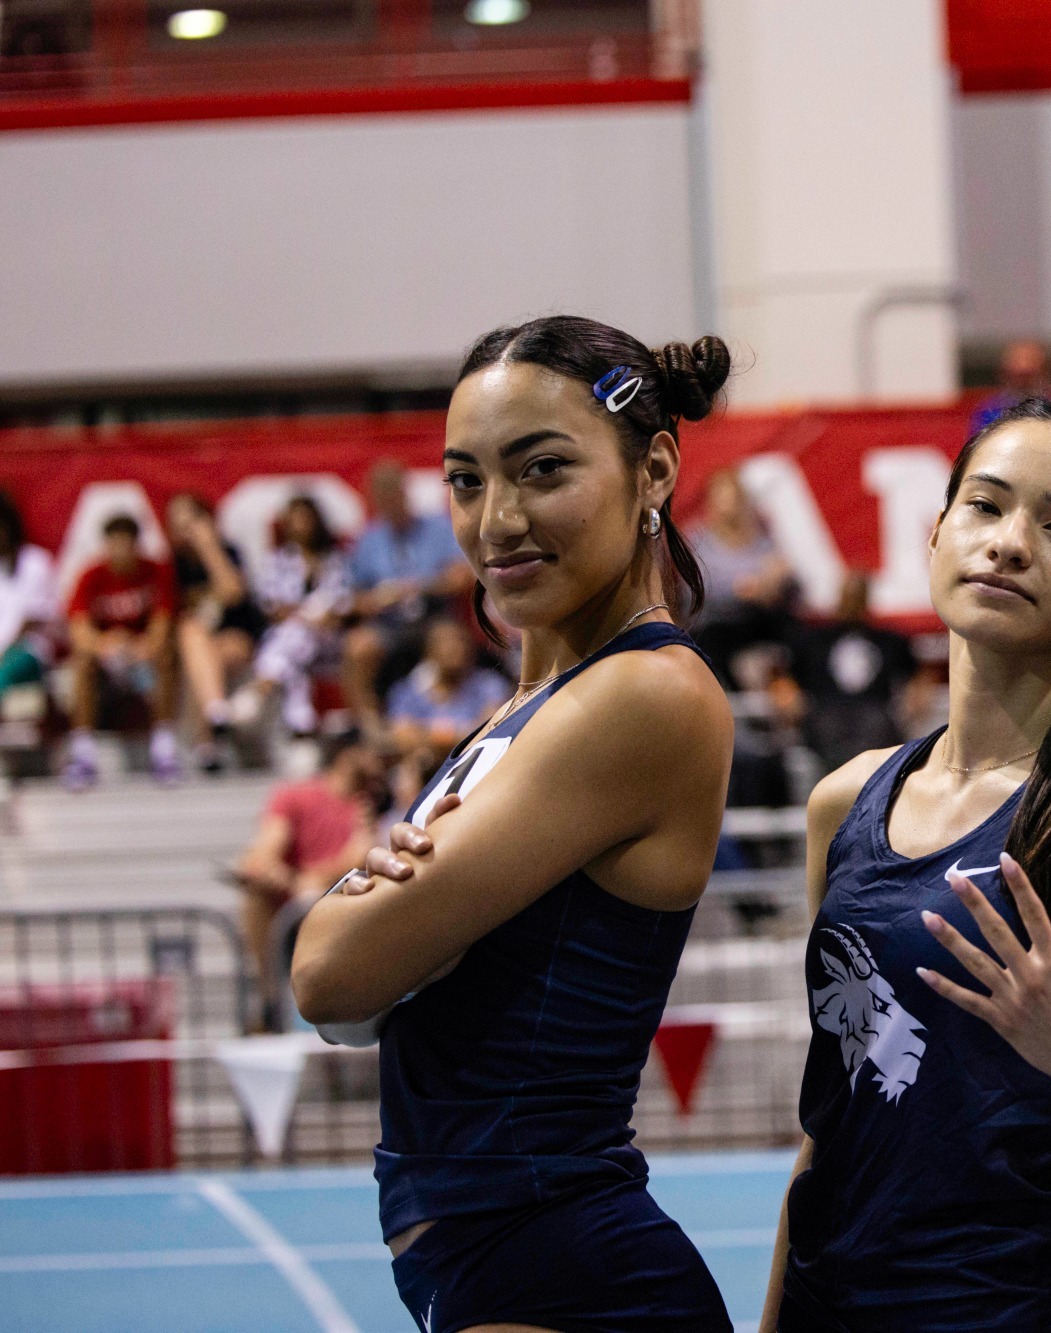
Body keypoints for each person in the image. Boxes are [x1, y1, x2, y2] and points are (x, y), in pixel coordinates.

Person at [292, 316, 738, 1332]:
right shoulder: (518, 710)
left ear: (654, 469)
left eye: (541, 470)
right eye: (464, 479)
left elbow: (328, 973)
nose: (495, 521)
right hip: (500, 1258)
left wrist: (361, 904)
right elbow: (348, 1006)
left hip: (564, 1271)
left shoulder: (641, 697)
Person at [760, 399, 1051, 1332]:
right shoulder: (846, 801)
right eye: (985, 507)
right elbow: (830, 1128)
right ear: (936, 531)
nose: (1010, 543)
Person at [234, 730, 383, 1023]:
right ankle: (271, 1001)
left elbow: (360, 857)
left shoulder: (372, 803)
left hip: (344, 906)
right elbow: (262, 855)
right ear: (349, 756)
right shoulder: (296, 795)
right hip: (298, 908)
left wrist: (305, 880)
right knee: (260, 894)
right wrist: (282, 875)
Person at [341, 461, 475, 733]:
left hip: (434, 617)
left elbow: (462, 577)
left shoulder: (437, 528)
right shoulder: (369, 540)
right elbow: (354, 598)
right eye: (382, 495)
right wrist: (378, 598)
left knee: (449, 641)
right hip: (390, 623)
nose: (390, 500)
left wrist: (419, 587)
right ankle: (372, 729)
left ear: (405, 492)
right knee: (358, 647)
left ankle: (459, 721)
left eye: (394, 492)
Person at [63, 513, 180, 788]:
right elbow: (80, 630)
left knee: (166, 658)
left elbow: (162, 625)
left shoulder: (156, 572)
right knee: (81, 663)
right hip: (107, 659)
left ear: (136, 545)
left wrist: (142, 647)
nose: (120, 552)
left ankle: (164, 749)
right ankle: (83, 753)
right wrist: (106, 646)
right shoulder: (91, 576)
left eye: (126, 544)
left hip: (143, 659)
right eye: (114, 544)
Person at [782, 570, 924, 772]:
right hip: (826, 710)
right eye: (848, 595)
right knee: (829, 729)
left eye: (858, 596)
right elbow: (784, 675)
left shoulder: (890, 640)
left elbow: (916, 675)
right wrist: (787, 695)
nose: (852, 603)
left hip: (875, 711)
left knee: (877, 727)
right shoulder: (813, 640)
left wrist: (914, 699)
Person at [236, 495, 352, 737]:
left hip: (329, 641)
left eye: (305, 519)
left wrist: (318, 615)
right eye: (295, 520)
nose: (301, 525)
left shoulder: (334, 560)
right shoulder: (277, 560)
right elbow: (270, 605)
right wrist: (300, 614)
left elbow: (343, 603)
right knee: (295, 646)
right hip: (293, 638)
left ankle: (258, 688)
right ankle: (301, 725)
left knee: (296, 635)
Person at [165, 493, 264, 774]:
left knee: (207, 656)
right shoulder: (174, 566)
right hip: (194, 645)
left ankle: (207, 739)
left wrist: (209, 548)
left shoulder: (228, 553)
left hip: (235, 640)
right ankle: (216, 717)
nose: (186, 530)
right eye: (179, 524)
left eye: (192, 521)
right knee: (192, 633)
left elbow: (233, 593)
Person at [687, 466, 798, 689]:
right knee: (711, 640)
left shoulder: (761, 540)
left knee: (793, 631)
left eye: (733, 499)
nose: (728, 507)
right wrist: (741, 589)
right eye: (721, 499)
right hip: (718, 624)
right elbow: (696, 591)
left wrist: (773, 583)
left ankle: (790, 693)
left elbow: (788, 581)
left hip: (757, 619)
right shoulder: (699, 541)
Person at [383, 616, 511, 752]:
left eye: (459, 640)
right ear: (429, 651)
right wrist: (459, 734)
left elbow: (492, 731)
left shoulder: (489, 685)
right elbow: (402, 739)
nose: (453, 647)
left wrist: (428, 733)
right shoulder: (408, 691)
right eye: (444, 642)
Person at [0, 490, 58, 699]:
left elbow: (32, 619)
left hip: (29, 652)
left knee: (3, 673)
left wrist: (3, 652)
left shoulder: (35, 562)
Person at [971, 338, 1051, 434]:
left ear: (1045, 372)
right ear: (1004, 373)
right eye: (1017, 376)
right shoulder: (990, 412)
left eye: (1029, 376)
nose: (1023, 382)